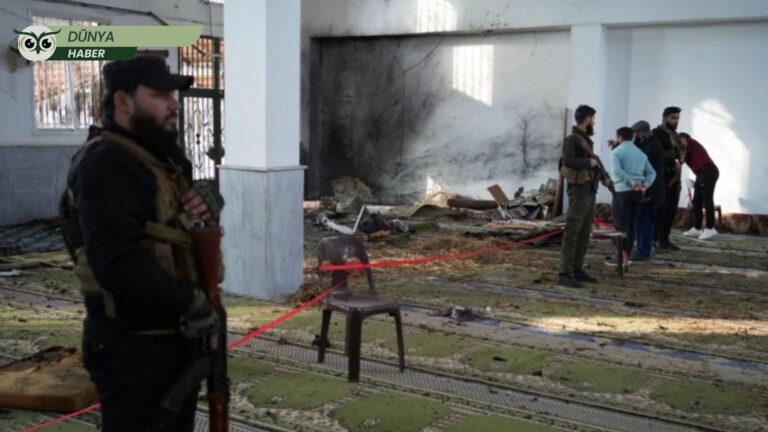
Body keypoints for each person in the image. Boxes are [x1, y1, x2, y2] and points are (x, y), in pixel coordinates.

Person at [59, 56, 223, 431]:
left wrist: (209, 199)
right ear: (123, 101)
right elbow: (116, 264)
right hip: (132, 347)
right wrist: (191, 302)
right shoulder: (104, 163)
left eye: (173, 95)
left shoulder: (162, 158)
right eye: (160, 94)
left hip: (175, 336)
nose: (174, 104)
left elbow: (181, 227)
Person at [558, 105, 611, 288]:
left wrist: (605, 177)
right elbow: (567, 160)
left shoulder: (585, 140)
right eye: (593, 118)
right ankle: (564, 273)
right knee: (573, 232)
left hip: (588, 190)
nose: (594, 122)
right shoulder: (572, 139)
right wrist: (588, 162)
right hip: (579, 190)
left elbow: (596, 162)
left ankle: (577, 269)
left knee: (584, 232)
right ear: (587, 118)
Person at [605, 127, 656, 269]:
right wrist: (645, 185)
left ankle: (621, 258)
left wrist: (630, 182)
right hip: (637, 193)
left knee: (620, 226)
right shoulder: (641, 153)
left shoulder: (616, 152)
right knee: (632, 225)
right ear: (632, 137)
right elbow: (652, 173)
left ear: (619, 137)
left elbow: (616, 171)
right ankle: (626, 256)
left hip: (622, 191)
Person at [631, 121, 665, 261]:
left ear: (642, 132)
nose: (634, 137)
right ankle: (642, 249)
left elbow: (647, 170)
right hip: (649, 189)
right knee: (643, 221)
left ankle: (644, 252)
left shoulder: (652, 147)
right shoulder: (647, 144)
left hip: (650, 190)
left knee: (644, 222)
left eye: (636, 134)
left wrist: (645, 189)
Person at [652, 106, 683, 251]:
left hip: (673, 178)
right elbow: (656, 153)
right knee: (660, 210)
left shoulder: (674, 135)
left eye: (677, 118)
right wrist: (672, 161)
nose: (676, 121)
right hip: (662, 177)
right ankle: (653, 239)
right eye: (673, 118)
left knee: (670, 210)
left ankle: (664, 239)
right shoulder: (657, 133)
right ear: (665, 118)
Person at [679, 133, 720, 240]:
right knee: (696, 201)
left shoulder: (689, 142)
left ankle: (710, 228)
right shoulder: (689, 148)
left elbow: (682, 146)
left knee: (707, 199)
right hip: (702, 173)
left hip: (707, 171)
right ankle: (697, 228)